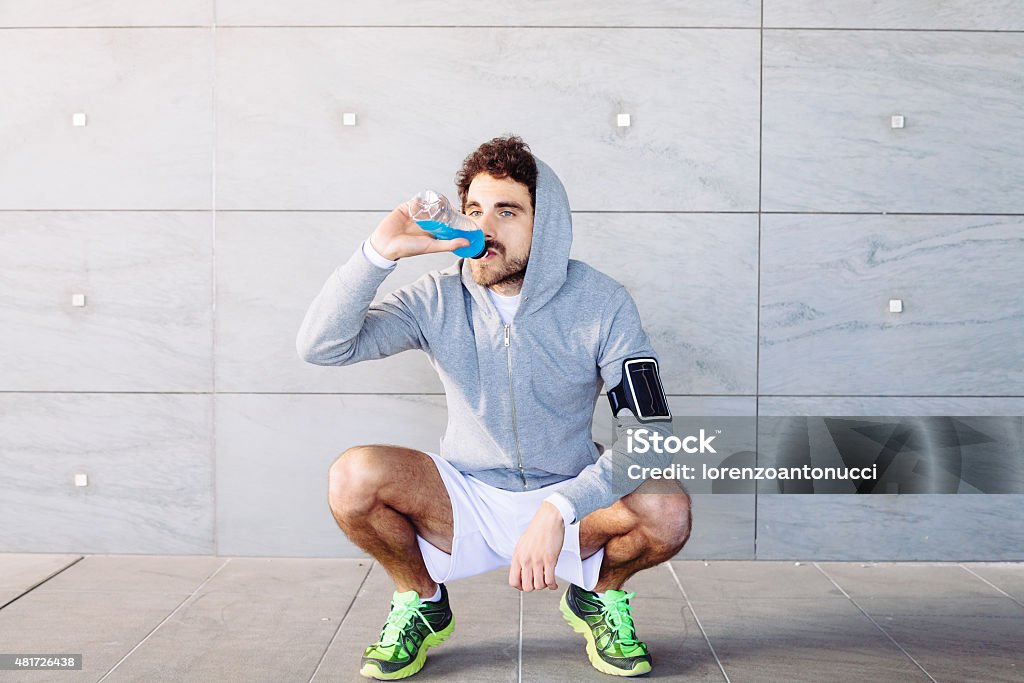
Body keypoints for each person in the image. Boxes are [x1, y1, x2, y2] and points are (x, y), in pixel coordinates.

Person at [296, 135, 691, 679]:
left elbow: (653, 435)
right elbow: (322, 346)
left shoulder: (601, 302)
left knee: (666, 508)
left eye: (507, 212)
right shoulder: (436, 297)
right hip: (465, 498)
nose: (485, 228)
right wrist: (377, 254)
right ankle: (421, 600)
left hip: (569, 494)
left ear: (544, 224)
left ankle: (598, 596)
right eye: (476, 210)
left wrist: (560, 508)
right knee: (353, 476)